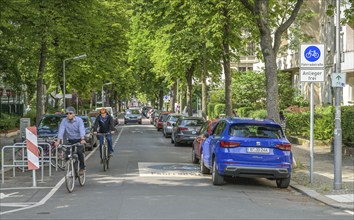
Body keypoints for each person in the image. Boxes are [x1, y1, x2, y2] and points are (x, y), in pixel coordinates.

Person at [55, 106, 86, 175]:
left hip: (79, 140)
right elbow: (61, 131)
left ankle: (82, 168)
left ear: (74, 114)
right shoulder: (64, 121)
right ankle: (71, 166)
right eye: (67, 113)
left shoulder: (79, 120)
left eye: (70, 113)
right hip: (70, 140)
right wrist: (58, 141)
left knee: (79, 152)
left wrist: (82, 139)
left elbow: (81, 129)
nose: (68, 115)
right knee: (67, 154)